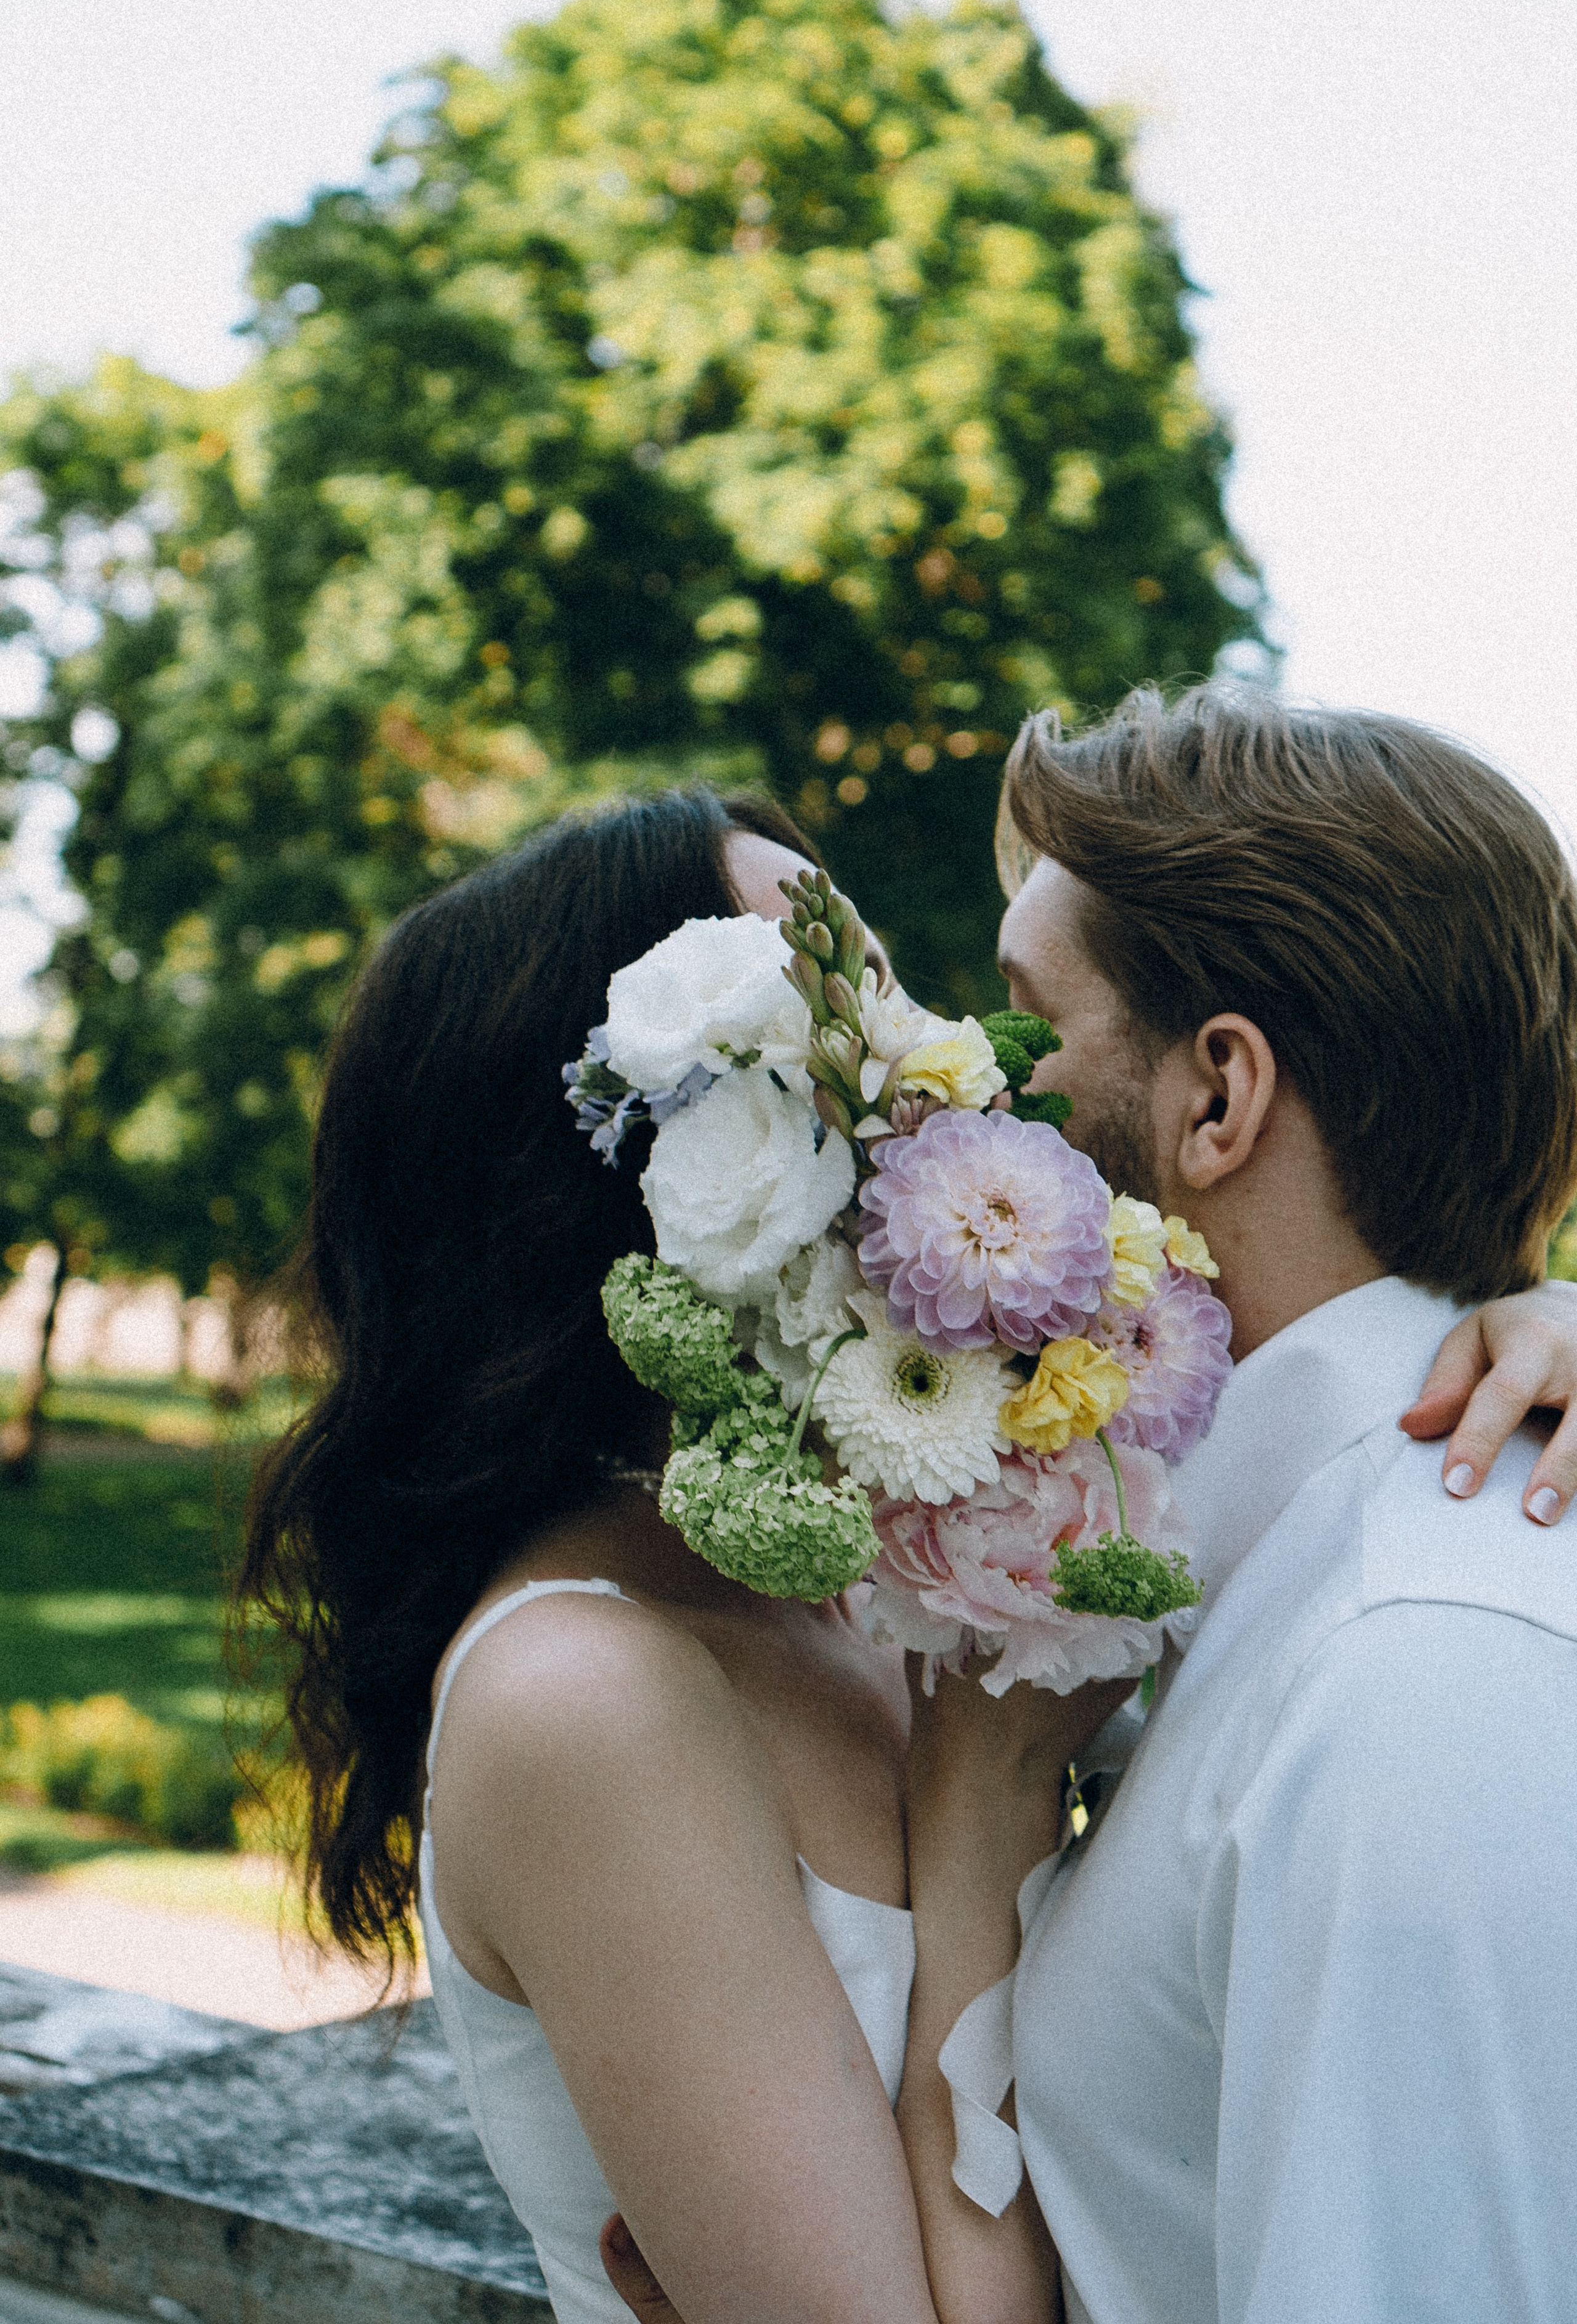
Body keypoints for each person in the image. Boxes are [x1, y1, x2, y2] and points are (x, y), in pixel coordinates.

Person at [237, 773, 1577, 2324]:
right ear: (641, 1152)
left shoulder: (910, 1562)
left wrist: (1510, 1308)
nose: (948, 1074)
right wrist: (981, 1815)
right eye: (844, 1011)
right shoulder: (584, 1696)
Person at [902, 686, 1577, 2324]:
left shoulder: (1412, 1678)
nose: (959, 1110)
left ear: (1219, 1101)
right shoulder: (1262, 1576)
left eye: (1024, 1032)